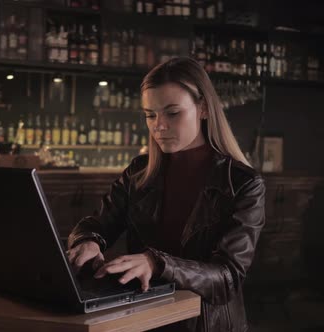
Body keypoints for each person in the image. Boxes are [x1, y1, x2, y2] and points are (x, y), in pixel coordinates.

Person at [67, 57, 265, 332]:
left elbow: (227, 277)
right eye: (150, 115)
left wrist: (157, 263)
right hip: (145, 319)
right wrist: (88, 240)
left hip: (205, 324)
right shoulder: (139, 172)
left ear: (204, 108)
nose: (158, 125)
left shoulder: (243, 183)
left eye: (172, 113)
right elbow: (97, 224)